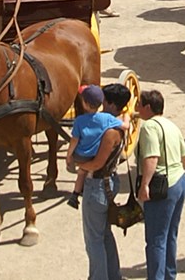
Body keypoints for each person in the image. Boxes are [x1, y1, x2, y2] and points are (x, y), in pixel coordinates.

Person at [69, 81, 129, 280]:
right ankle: (114, 275)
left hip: (97, 186)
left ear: (111, 104)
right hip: (109, 182)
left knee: (93, 240)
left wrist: (78, 165)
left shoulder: (110, 132)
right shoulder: (114, 123)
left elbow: (96, 164)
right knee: (104, 234)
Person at [136, 88, 185, 280]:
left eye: (139, 105)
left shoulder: (149, 127)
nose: (136, 108)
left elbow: (151, 157)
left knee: (156, 240)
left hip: (162, 186)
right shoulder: (171, 125)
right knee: (170, 235)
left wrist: (145, 185)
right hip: (180, 182)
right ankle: (169, 276)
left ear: (148, 107)